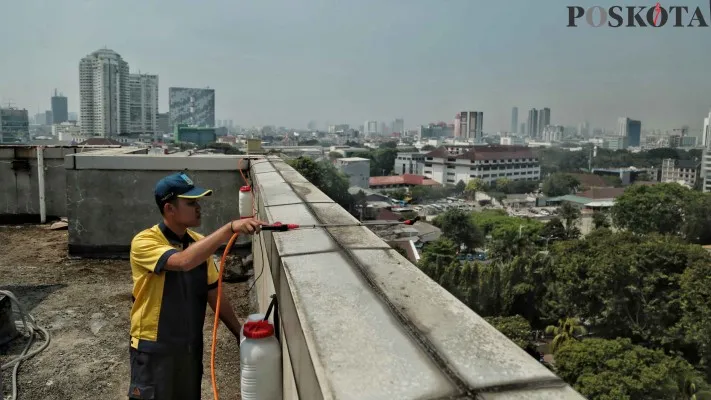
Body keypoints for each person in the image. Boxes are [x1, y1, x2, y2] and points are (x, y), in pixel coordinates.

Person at [127, 172, 265, 400]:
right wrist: (229, 229)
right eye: (191, 203)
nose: (199, 207)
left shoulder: (198, 243)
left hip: (189, 346)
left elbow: (214, 293)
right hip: (153, 348)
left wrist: (240, 335)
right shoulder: (145, 242)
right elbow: (182, 262)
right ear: (169, 209)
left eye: (198, 201)